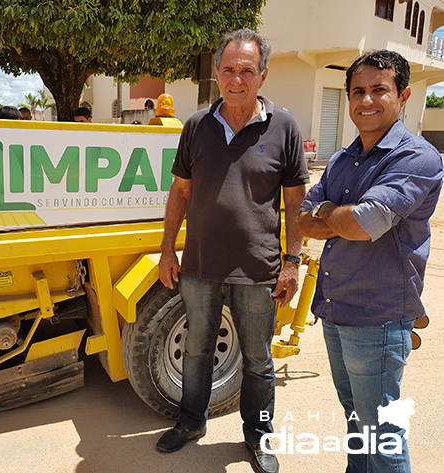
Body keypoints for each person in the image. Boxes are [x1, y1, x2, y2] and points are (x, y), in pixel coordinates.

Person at [157, 28, 309, 473]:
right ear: (217, 74)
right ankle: (190, 423)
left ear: (262, 75)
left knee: (259, 359)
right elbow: (180, 193)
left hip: (259, 269)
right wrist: (168, 250)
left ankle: (259, 437)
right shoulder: (197, 126)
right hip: (201, 265)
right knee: (198, 349)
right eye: (228, 70)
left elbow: (296, 201)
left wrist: (292, 261)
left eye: (246, 70)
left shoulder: (285, 127)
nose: (236, 79)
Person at [299, 50, 443, 473]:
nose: (367, 100)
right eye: (358, 91)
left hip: (377, 317)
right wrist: (331, 215)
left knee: (381, 433)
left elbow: (365, 223)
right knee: (357, 421)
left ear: (403, 95)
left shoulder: (416, 157)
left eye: (379, 89)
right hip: (336, 309)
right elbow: (304, 219)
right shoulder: (343, 159)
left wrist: (328, 212)